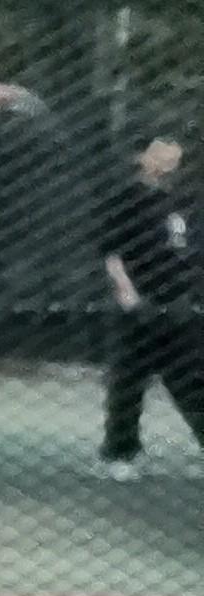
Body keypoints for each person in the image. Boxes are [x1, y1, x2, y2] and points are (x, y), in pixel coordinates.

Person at [98, 132, 198, 478]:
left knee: (191, 379)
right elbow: (111, 251)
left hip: (177, 303)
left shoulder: (180, 200)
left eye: (174, 158)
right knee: (128, 382)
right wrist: (127, 293)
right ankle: (119, 454)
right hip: (139, 303)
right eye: (161, 155)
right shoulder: (125, 198)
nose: (169, 163)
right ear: (142, 157)